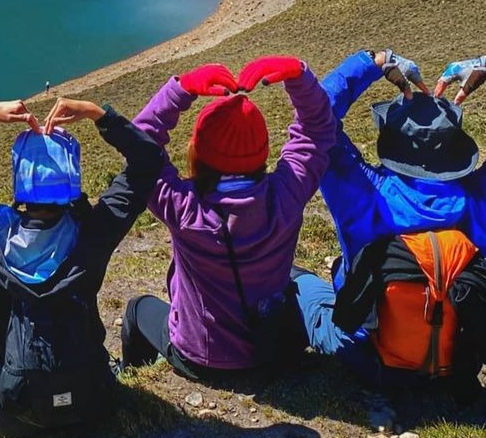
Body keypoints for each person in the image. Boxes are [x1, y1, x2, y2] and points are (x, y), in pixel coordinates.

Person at [295, 50, 486, 399]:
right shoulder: (484, 199)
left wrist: (372, 64)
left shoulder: (363, 193)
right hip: (458, 365)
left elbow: (314, 120)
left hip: (373, 362)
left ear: (390, 142)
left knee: (304, 289)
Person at [0, 95, 163, 435]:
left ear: (19, 178)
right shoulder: (93, 233)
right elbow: (148, 160)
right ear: (72, 180)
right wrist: (98, 114)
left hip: (9, 413)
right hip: (91, 402)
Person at [119, 56, 337, 385]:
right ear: (262, 151)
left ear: (199, 153)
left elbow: (139, 145)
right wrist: (299, 75)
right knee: (296, 277)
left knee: (137, 310)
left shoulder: (185, 208)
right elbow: (316, 133)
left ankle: (130, 377)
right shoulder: (286, 195)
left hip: (198, 358)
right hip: (271, 351)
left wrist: (181, 89)